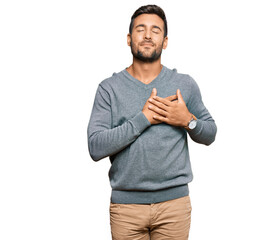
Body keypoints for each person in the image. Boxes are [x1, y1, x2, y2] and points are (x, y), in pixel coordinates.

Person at [87, 4, 217, 240]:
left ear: (165, 41)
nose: (147, 35)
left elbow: (210, 133)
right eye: (140, 29)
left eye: (155, 30)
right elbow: (95, 147)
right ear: (129, 38)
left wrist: (188, 120)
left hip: (174, 207)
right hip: (126, 209)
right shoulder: (109, 89)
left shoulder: (184, 84)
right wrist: (143, 119)